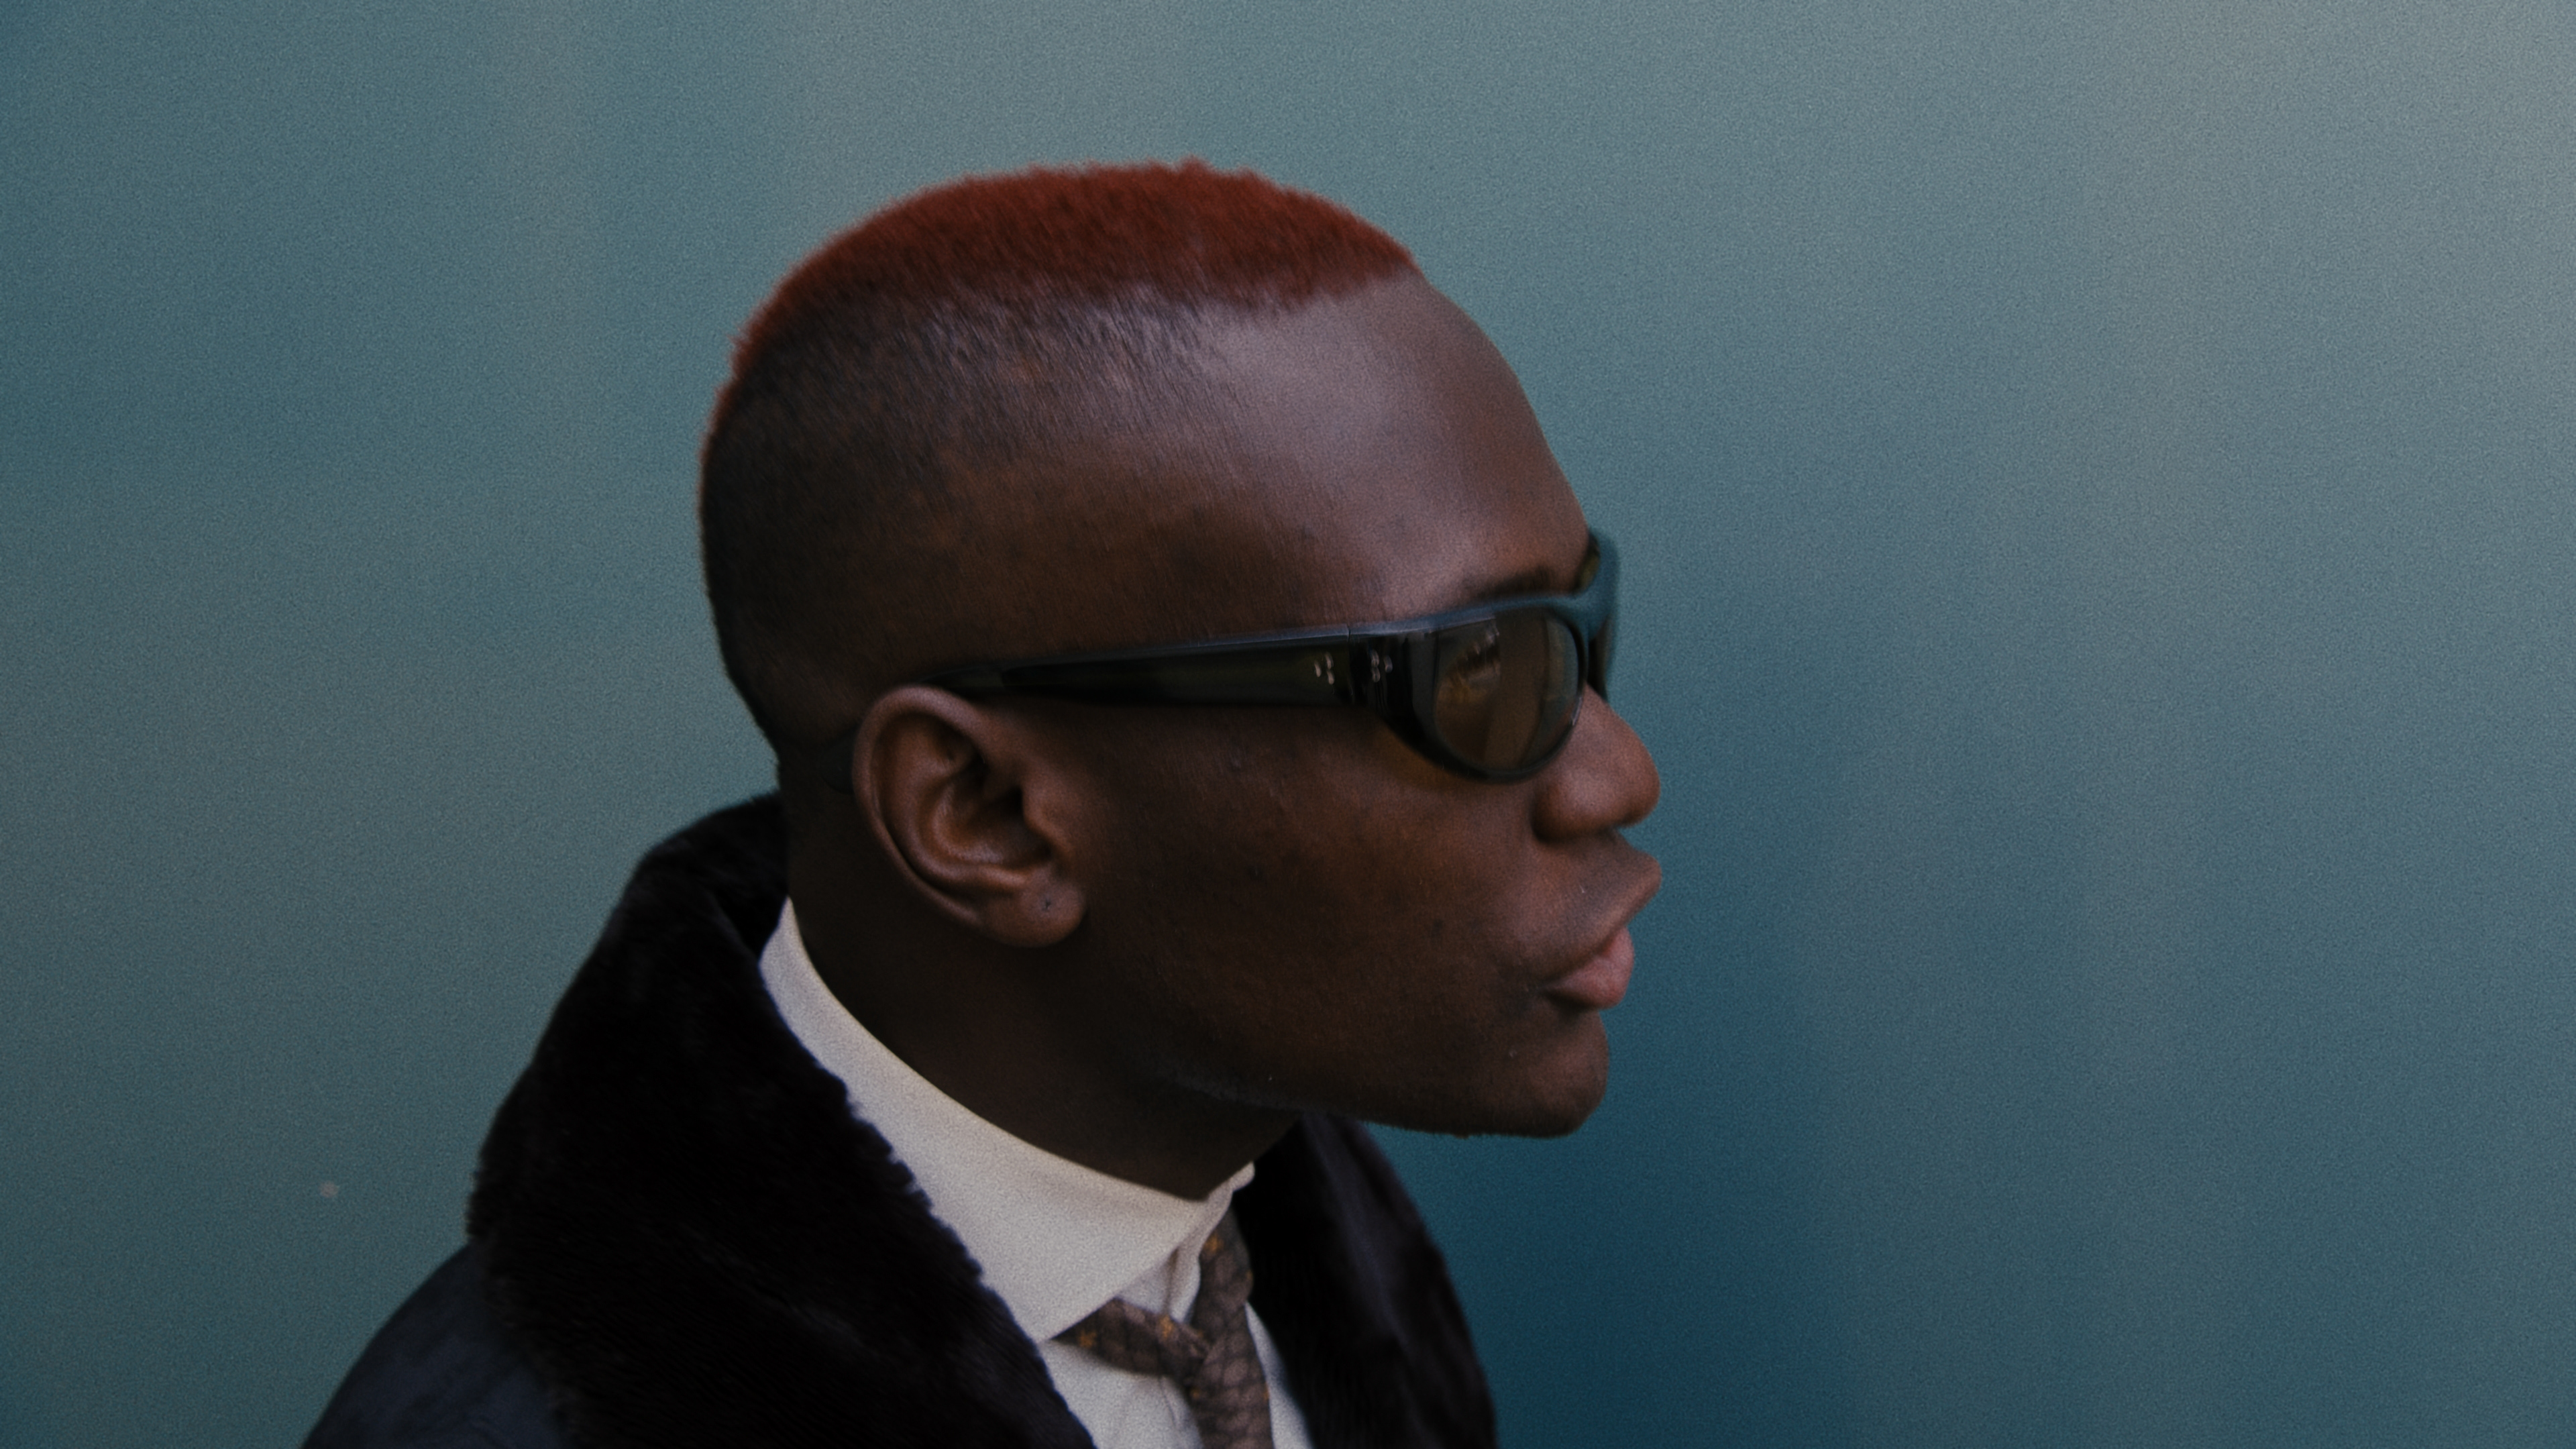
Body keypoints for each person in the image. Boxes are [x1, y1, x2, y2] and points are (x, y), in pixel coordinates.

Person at [306, 160, 1660, 1449]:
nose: (1619, 774)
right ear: (986, 815)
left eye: (1579, 622)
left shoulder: (1303, 1229)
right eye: (1479, 674)